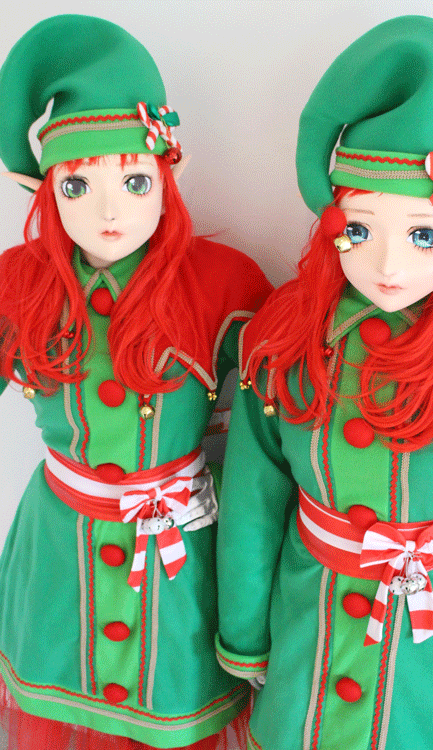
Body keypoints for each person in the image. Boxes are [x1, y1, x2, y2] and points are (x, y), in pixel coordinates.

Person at [215, 16, 433, 750]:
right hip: (308, 621)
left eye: (422, 234)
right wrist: (244, 636)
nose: (388, 267)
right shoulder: (284, 337)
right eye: (359, 231)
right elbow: (252, 500)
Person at [0, 14, 272, 750]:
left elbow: (271, 429)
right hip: (60, 551)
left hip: (177, 555)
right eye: (77, 184)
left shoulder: (224, 285)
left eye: (134, 179)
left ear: (168, 175)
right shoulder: (18, 284)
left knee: (170, 701)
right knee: (60, 697)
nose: (110, 209)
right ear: (47, 192)